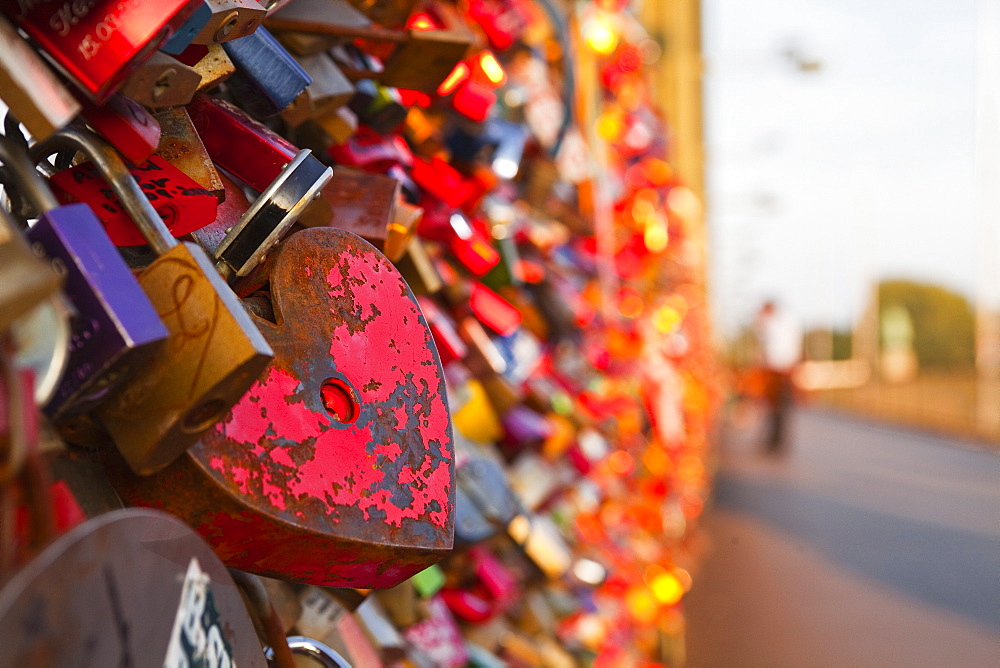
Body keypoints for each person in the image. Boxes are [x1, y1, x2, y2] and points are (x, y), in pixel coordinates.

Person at [753, 300, 803, 453]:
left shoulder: (780, 324)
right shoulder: (777, 323)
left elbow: (780, 350)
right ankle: (773, 440)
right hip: (776, 371)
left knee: (779, 408)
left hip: (781, 371)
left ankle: (777, 441)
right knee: (774, 409)